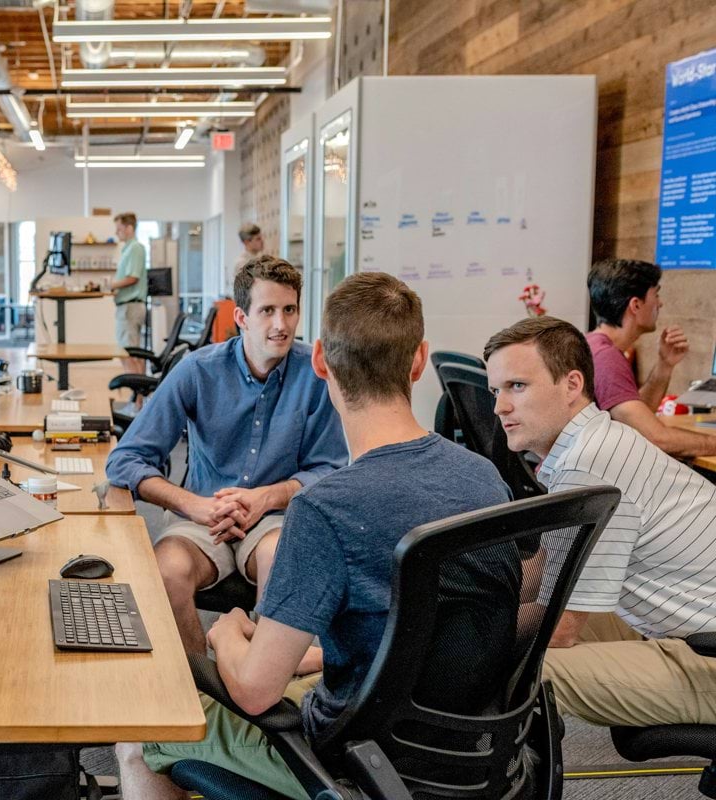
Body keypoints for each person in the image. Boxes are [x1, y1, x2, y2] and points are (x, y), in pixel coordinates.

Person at [116, 272, 521, 800]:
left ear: (322, 360)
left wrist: (226, 635)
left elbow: (257, 693)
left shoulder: (324, 510)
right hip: (472, 754)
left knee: (138, 733)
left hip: (353, 761)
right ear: (419, 361)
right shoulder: (484, 476)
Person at [106, 255, 347, 656]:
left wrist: (265, 498)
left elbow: (331, 469)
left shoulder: (316, 374)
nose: (281, 325)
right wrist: (193, 505)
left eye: (290, 310)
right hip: (203, 516)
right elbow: (125, 459)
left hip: (274, 519)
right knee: (166, 573)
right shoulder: (197, 371)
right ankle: (204, 685)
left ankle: (258, 682)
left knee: (281, 563)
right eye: (267, 311)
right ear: (241, 317)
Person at [485, 316, 716, 727]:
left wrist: (437, 637)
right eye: (496, 390)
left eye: (517, 386)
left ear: (572, 385)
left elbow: (560, 629)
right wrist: (446, 606)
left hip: (704, 658)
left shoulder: (589, 464)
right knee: (490, 628)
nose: (500, 407)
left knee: (523, 667)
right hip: (682, 632)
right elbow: (547, 571)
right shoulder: (592, 444)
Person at [586, 258, 716, 457]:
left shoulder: (596, 346)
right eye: (656, 294)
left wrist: (665, 365)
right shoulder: (605, 358)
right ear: (636, 305)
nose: (660, 303)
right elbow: (655, 437)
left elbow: (637, 419)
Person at [111, 212, 148, 374]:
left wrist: (112, 285)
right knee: (130, 353)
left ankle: (137, 397)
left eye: (119, 229)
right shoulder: (128, 250)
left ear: (129, 228)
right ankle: (138, 396)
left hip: (130, 307)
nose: (116, 233)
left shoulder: (135, 248)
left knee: (129, 354)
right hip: (127, 306)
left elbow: (133, 277)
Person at [230, 222, 265, 293]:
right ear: (246, 242)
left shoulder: (261, 259)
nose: (262, 241)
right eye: (258, 239)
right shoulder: (242, 263)